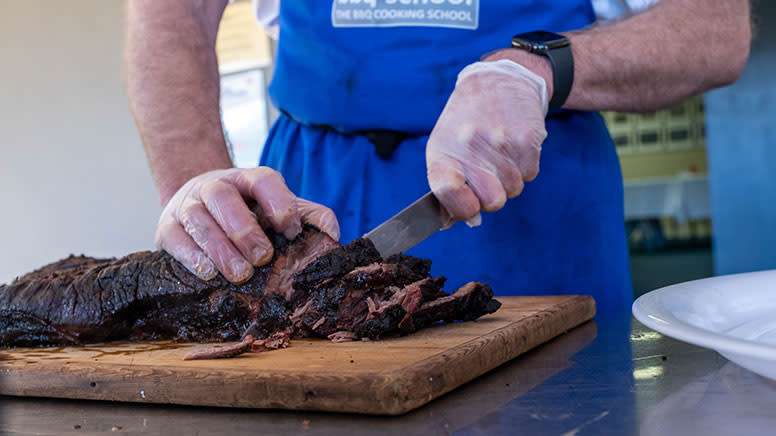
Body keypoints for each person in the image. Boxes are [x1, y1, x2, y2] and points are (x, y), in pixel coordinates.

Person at [125, 0, 750, 313]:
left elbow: (715, 28)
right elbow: (173, 13)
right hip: (308, 194)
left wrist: (537, 69)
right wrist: (199, 189)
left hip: (530, 197)